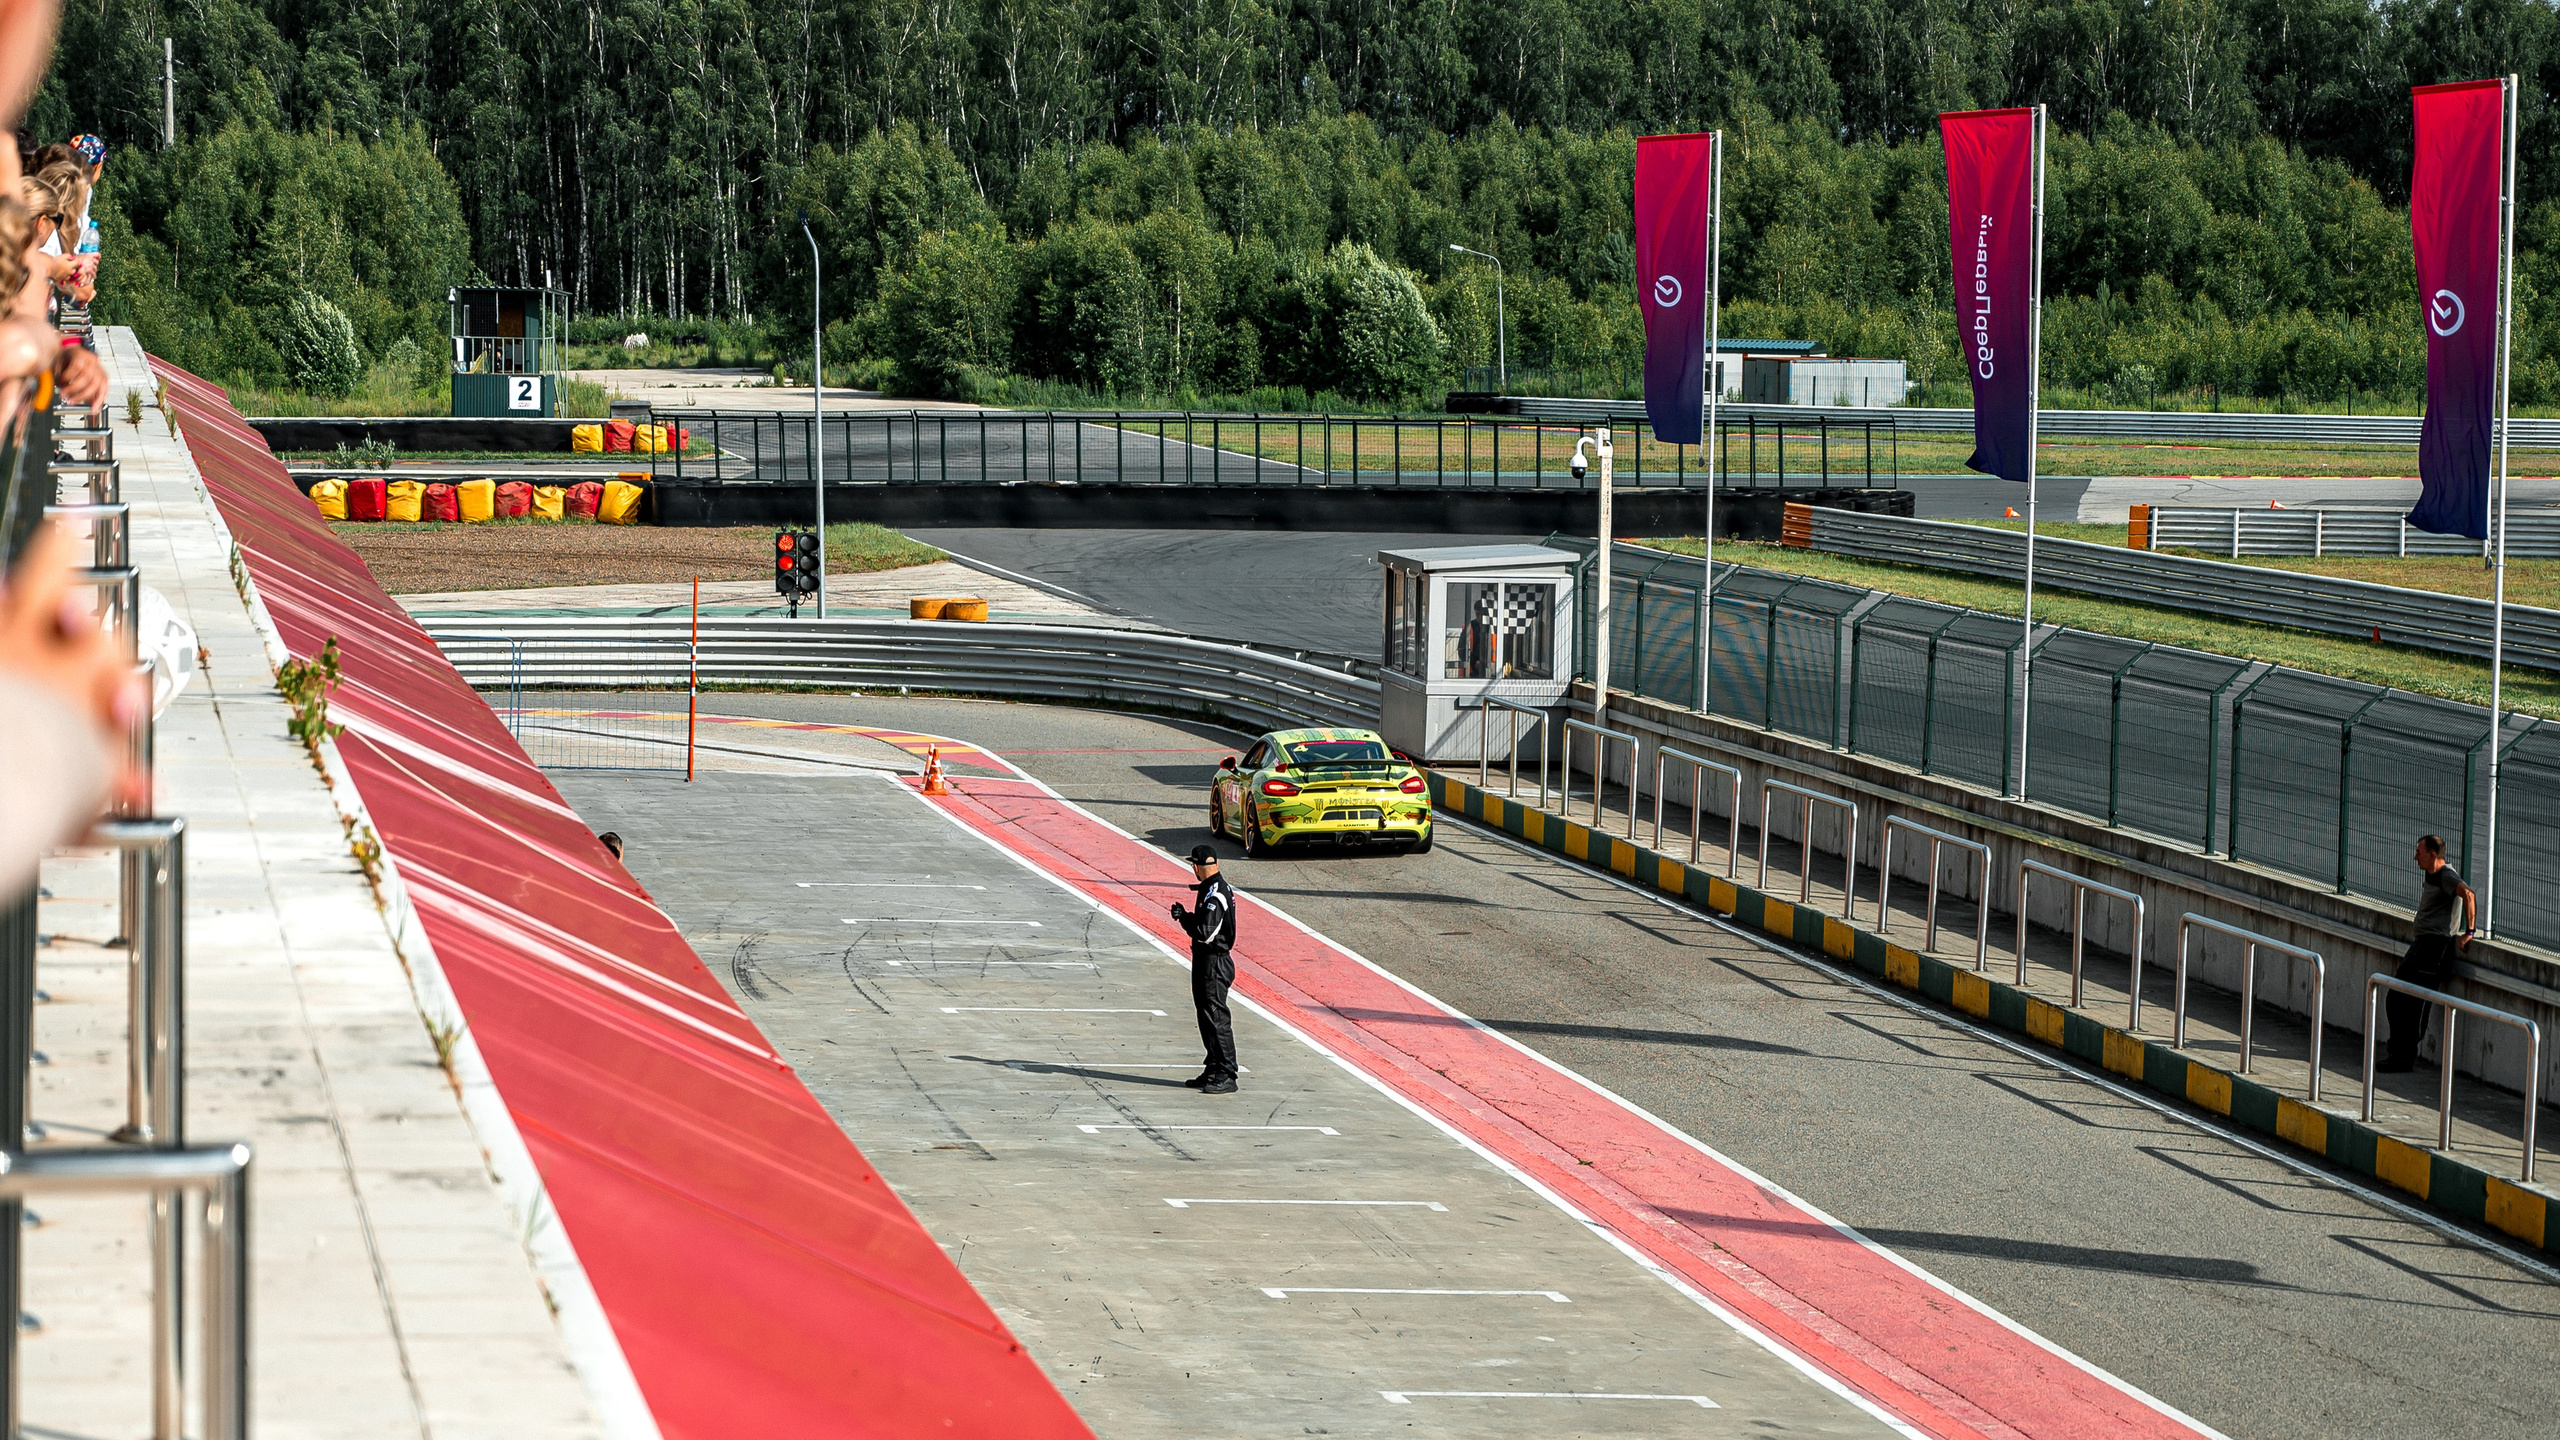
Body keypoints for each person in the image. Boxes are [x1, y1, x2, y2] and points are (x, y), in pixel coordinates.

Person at [2380, 834, 2475, 1073]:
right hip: (2421, 945)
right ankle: (2397, 1053)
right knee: (2396, 996)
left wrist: (2469, 932)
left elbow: (2469, 895)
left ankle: (2404, 1058)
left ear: (2432, 855)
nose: (2415, 857)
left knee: (2416, 1004)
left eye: (2419, 852)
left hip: (2436, 948)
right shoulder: (2432, 874)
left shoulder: (2446, 875)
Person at [1168, 843, 1239, 1093]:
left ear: (1197, 866)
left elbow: (1205, 932)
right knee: (1206, 1015)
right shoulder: (1210, 888)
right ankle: (1214, 1067)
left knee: (1215, 1016)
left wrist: (1185, 918)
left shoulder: (1216, 893)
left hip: (1214, 961)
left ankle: (1227, 1072)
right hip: (1207, 960)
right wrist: (1186, 915)